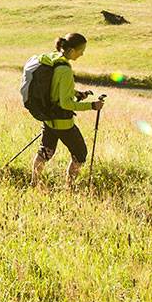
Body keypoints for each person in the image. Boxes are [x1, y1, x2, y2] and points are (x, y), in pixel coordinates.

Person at [31, 32, 104, 188]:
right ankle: (69, 187)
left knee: (45, 152)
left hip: (49, 118)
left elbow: (56, 89)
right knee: (80, 154)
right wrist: (92, 106)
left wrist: (78, 93)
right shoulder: (65, 70)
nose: (82, 53)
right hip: (63, 122)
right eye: (81, 50)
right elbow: (65, 104)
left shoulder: (54, 59)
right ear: (71, 50)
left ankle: (34, 183)